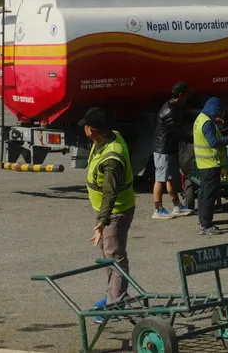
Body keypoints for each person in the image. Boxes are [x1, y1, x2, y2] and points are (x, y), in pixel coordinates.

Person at [83, 107, 136, 314]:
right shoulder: (107, 139)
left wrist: (103, 221)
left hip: (116, 212)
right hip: (107, 212)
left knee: (115, 256)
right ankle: (113, 295)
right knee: (107, 254)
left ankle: (116, 304)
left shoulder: (112, 157)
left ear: (90, 130)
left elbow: (110, 193)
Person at [192, 97, 228, 235]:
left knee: (203, 194)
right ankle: (206, 225)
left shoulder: (200, 119)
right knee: (209, 195)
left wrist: (217, 124)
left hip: (204, 164)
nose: (219, 115)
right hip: (210, 164)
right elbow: (213, 142)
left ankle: (202, 222)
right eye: (218, 112)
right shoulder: (207, 123)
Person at [152, 82, 192, 220]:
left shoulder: (174, 106)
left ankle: (177, 206)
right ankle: (157, 209)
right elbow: (176, 131)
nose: (187, 98)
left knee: (169, 178)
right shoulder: (170, 111)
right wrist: (192, 138)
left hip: (167, 148)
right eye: (186, 95)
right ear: (180, 95)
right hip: (163, 150)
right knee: (160, 179)